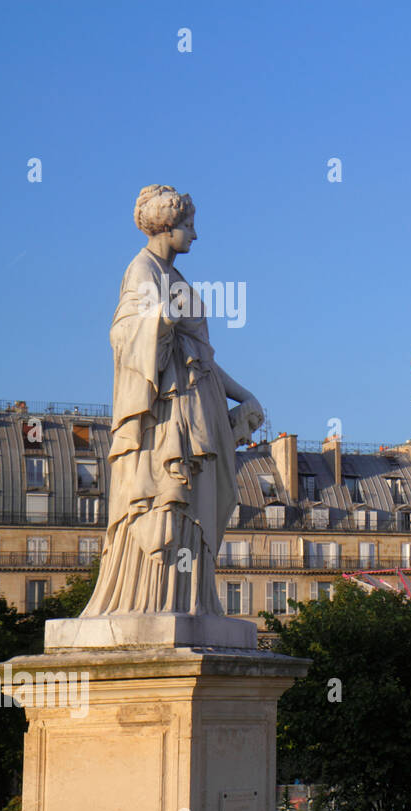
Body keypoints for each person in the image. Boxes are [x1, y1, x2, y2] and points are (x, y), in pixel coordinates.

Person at [81, 185, 264, 618]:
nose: (195, 236)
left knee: (191, 503)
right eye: (189, 226)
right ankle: (151, 600)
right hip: (165, 413)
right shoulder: (142, 270)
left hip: (194, 408)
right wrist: (162, 319)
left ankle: (192, 601)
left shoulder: (177, 279)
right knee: (168, 497)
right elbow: (124, 335)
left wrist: (245, 396)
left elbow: (202, 356)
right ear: (168, 226)